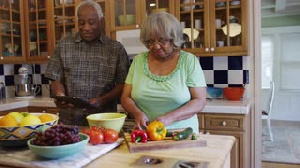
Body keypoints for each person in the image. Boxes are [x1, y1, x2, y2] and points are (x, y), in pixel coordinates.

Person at [45, 0, 130, 125]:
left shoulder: (116, 49)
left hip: (103, 119)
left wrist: (103, 100)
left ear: (101, 22)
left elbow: (123, 84)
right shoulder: (63, 45)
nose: (86, 28)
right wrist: (60, 95)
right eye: (81, 23)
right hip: (69, 119)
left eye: (91, 23)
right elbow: (55, 77)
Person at [121, 12, 206, 133]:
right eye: (151, 42)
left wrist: (170, 118)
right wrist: (137, 113)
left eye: (162, 40)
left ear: (174, 38)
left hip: (182, 134)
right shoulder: (138, 61)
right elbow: (125, 97)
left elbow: (200, 101)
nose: (156, 46)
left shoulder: (188, 61)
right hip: (146, 134)